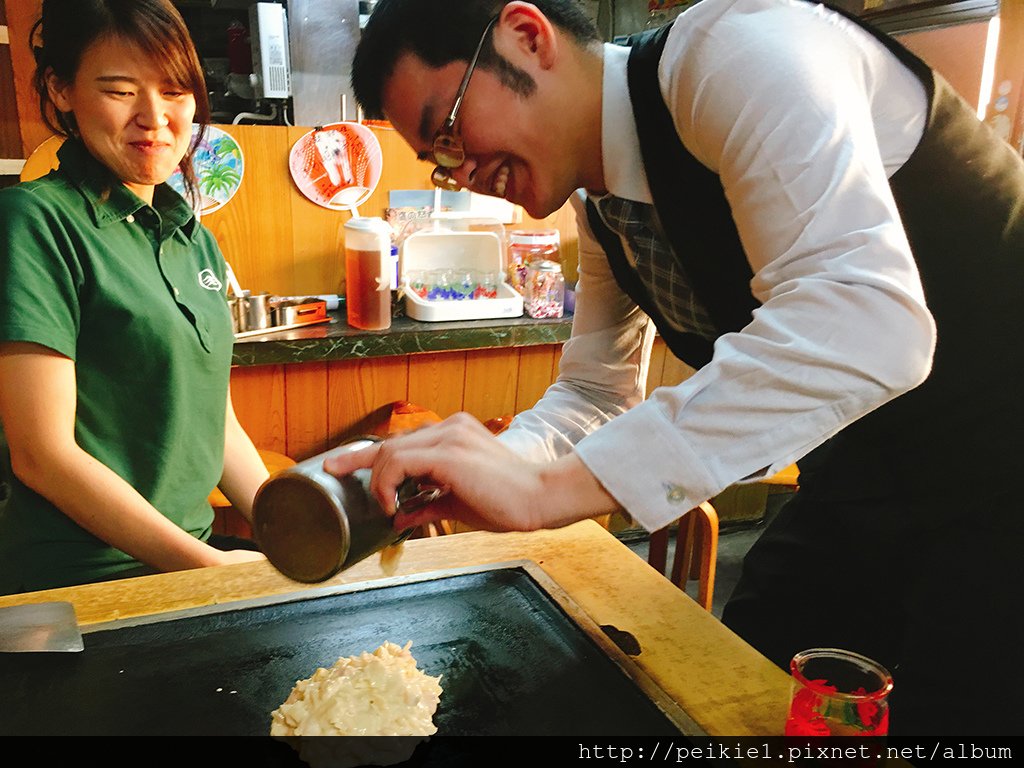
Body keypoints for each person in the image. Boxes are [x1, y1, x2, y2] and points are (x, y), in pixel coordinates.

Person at [338, 0, 1024, 735]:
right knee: (759, 661)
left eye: (449, 130)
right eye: (439, 161)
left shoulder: (737, 51)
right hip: (872, 471)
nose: (462, 171)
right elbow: (594, 392)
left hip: (1003, 467)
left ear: (527, 36)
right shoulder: (602, 207)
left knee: (956, 710)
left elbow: (866, 321)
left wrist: (546, 488)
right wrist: (484, 463)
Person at [0, 0, 269, 595]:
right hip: (77, 587)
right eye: (121, 91)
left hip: (183, 568)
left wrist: (288, 529)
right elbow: (41, 454)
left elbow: (212, 419)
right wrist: (215, 570)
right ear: (60, 89)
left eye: (175, 92)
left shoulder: (192, 238)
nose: (155, 118)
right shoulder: (33, 222)